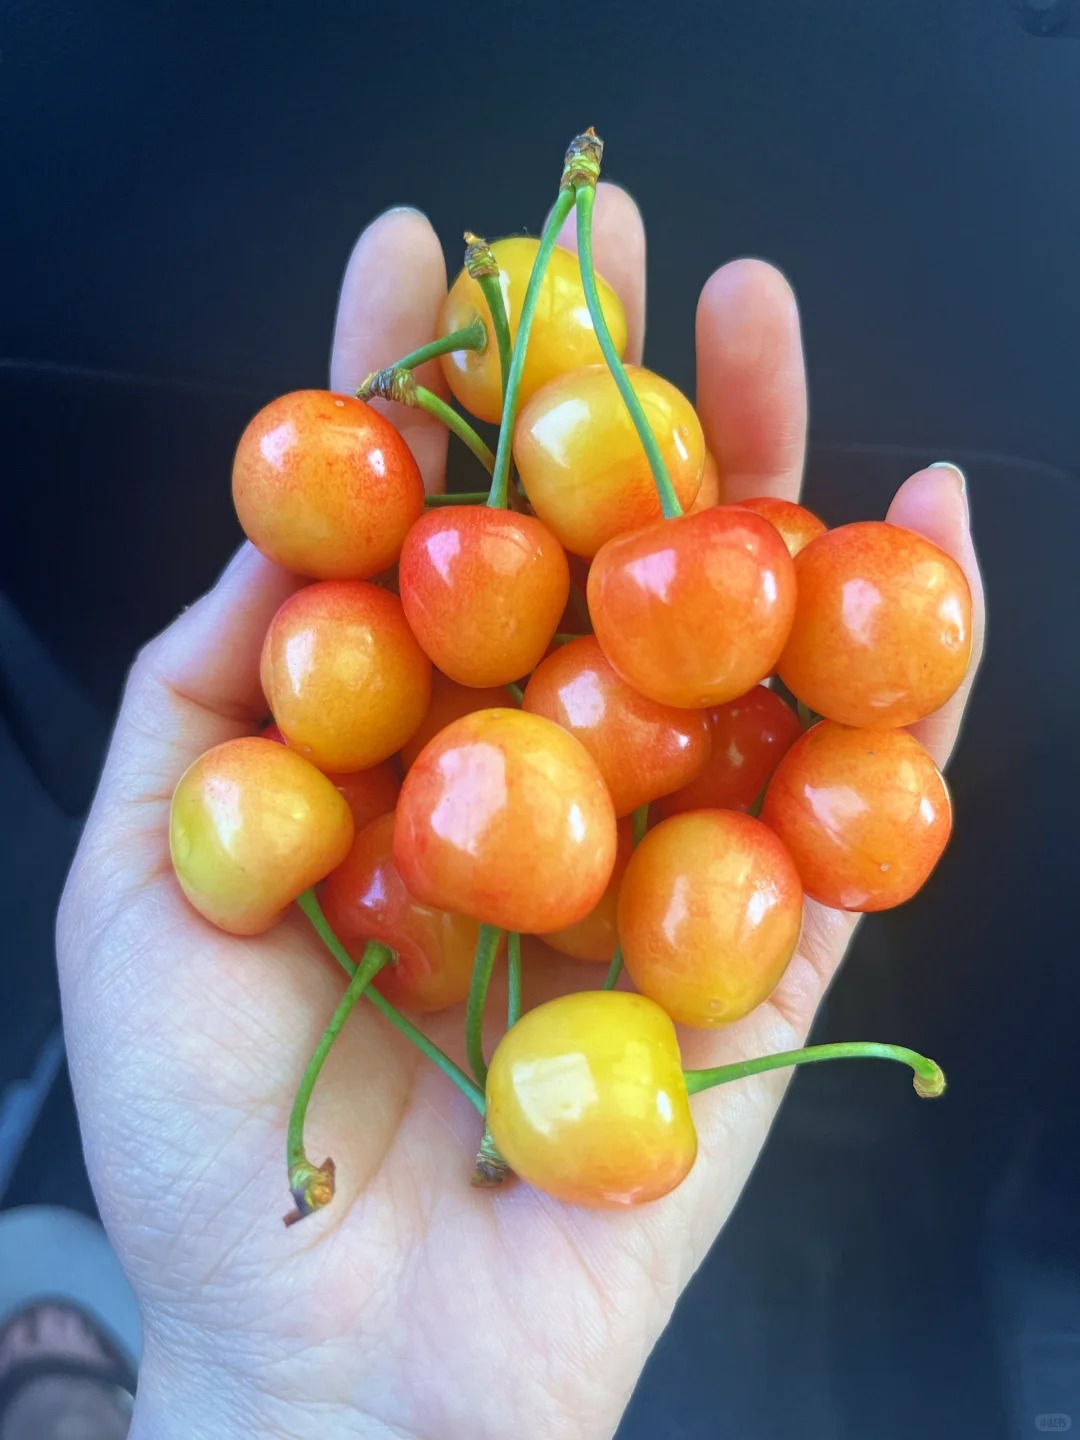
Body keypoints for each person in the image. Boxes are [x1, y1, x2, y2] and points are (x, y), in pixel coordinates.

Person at [45, 186, 983, 1440]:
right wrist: (267, 1379)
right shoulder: (458, 683)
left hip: (604, 810)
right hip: (551, 810)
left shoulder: (700, 728)